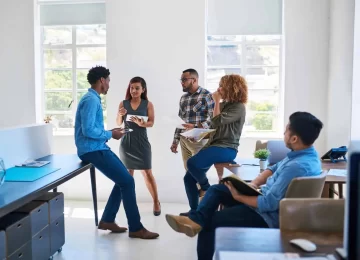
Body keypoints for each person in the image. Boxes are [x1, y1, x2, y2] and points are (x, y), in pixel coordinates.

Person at [165, 111, 324, 259]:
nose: (284, 133)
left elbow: (267, 204)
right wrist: (253, 184)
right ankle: (195, 220)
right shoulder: (305, 155)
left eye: (287, 130)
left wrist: (239, 196)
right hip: (264, 201)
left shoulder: (297, 166)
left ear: (294, 139)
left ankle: (198, 222)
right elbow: (272, 168)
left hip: (266, 216)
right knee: (217, 189)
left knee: (210, 223)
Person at [74, 66, 159, 239]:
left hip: (97, 147)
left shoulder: (92, 98)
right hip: (93, 150)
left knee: (123, 180)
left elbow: (92, 129)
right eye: (109, 81)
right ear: (102, 81)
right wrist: (111, 134)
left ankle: (107, 220)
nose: (110, 85)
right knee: (127, 181)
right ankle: (136, 228)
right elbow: (88, 130)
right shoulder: (92, 100)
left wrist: (109, 132)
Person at [180, 74, 247, 216]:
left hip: (227, 148)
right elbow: (213, 127)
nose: (219, 88)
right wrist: (198, 136)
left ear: (232, 88)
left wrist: (216, 100)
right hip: (214, 145)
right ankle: (194, 211)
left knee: (192, 163)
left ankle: (206, 188)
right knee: (188, 178)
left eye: (222, 85)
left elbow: (217, 121)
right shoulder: (223, 105)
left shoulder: (239, 107)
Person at [170, 68, 214, 216]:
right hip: (184, 141)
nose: (181, 82)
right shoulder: (183, 98)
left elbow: (211, 119)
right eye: (181, 80)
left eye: (184, 79)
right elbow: (180, 122)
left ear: (194, 80)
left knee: (196, 173)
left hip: (200, 141)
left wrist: (195, 127)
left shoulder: (206, 95)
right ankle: (194, 210)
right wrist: (175, 140)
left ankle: (204, 206)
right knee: (189, 176)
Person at [116, 77, 161, 216]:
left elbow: (152, 122)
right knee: (127, 174)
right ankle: (130, 204)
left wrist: (143, 124)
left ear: (143, 89)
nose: (134, 90)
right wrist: (120, 114)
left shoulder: (148, 104)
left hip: (142, 142)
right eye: (131, 88)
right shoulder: (123, 104)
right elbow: (118, 123)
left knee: (147, 172)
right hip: (127, 143)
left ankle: (156, 201)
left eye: (137, 88)